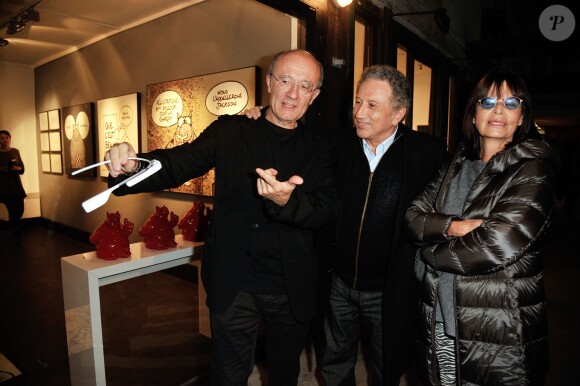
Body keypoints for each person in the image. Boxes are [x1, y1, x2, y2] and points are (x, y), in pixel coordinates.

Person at [104, 49, 340, 386]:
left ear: (314, 96)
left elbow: (328, 207)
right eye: (286, 80)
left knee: (285, 372)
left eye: (305, 86)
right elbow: (177, 163)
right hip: (234, 282)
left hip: (292, 286)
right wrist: (131, 167)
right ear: (270, 82)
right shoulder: (231, 130)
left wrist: (289, 201)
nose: (293, 93)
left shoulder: (322, 145)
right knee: (227, 375)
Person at [245, 64, 448, 385]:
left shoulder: (428, 153)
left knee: (387, 366)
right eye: (357, 101)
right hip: (337, 283)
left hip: (390, 288)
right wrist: (260, 116)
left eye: (372, 105)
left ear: (399, 114)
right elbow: (292, 131)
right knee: (334, 363)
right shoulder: (336, 143)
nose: (359, 113)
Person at [404, 70, 557, 385]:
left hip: (498, 329)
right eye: (488, 101)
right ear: (474, 114)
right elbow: (412, 217)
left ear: (522, 116)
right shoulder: (455, 165)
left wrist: (429, 251)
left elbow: (495, 242)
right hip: (441, 318)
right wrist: (455, 227)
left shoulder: (532, 170)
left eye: (510, 102)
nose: (498, 110)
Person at [0, 130, 26, 242]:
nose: (4, 140)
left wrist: (17, 168)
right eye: (1, 138)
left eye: (6, 137)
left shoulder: (15, 151)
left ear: (10, 139)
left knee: (19, 209)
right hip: (4, 186)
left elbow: (22, 168)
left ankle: (14, 227)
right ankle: (15, 231)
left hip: (16, 185)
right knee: (12, 209)